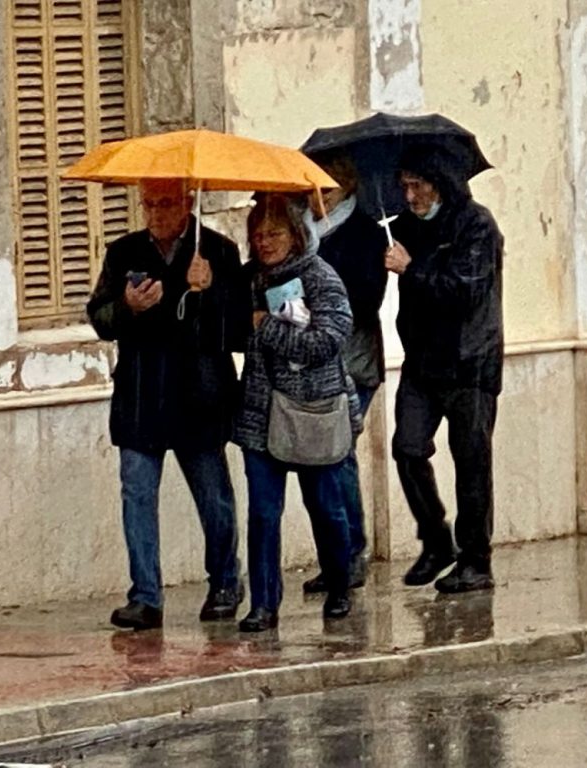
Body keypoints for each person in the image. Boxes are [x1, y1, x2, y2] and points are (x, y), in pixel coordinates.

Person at [87, 178, 246, 630]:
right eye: (148, 204)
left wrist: (210, 289)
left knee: (213, 497)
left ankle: (225, 582)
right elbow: (99, 317)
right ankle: (146, 597)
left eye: (165, 203)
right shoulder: (124, 253)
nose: (155, 213)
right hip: (141, 395)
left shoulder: (217, 249)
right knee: (136, 493)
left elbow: (236, 330)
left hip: (198, 396)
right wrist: (127, 306)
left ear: (187, 201)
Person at [234, 193, 362, 632]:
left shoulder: (321, 278)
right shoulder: (249, 279)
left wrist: (267, 327)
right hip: (260, 414)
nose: (264, 242)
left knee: (326, 508)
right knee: (264, 514)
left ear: (296, 234)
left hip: (313, 411)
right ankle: (264, 605)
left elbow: (325, 341)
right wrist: (202, 289)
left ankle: (341, 584)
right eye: (257, 234)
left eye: (274, 233)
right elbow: (228, 331)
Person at [383, 144, 504, 593]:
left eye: (418, 186)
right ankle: (436, 539)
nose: (410, 196)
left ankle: (476, 560)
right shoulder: (405, 229)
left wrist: (410, 270)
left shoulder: (477, 226)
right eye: (405, 187)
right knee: (408, 448)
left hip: (470, 361)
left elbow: (465, 291)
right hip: (422, 362)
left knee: (472, 463)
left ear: (440, 184)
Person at [300, 151, 389, 594]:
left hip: (354, 361)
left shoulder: (368, 233)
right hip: (311, 360)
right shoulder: (301, 232)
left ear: (348, 187)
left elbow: (368, 299)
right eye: (314, 187)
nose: (320, 196)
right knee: (320, 462)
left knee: (338, 455)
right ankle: (335, 556)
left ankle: (352, 552)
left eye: (329, 187)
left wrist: (323, 285)